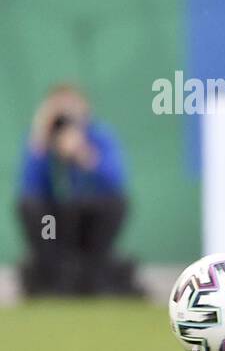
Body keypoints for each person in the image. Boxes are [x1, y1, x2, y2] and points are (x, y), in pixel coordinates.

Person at [16, 83, 138, 297]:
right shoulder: (41, 141)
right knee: (34, 209)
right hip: (53, 222)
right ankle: (51, 277)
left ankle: (94, 276)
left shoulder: (100, 136)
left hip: (89, 217)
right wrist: (41, 143)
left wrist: (82, 153)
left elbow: (115, 181)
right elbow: (29, 188)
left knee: (115, 204)